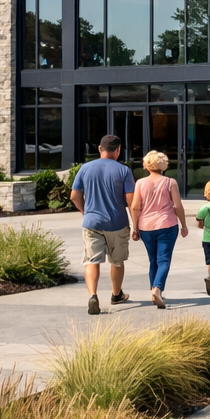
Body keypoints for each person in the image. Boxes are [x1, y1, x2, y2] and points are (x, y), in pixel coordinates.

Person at [70, 134, 135, 315]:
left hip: (92, 222)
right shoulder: (124, 171)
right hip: (118, 222)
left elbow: (74, 196)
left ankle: (93, 295)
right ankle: (116, 294)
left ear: (100, 148)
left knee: (92, 260)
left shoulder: (85, 168)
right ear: (118, 150)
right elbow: (131, 201)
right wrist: (135, 224)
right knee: (117, 261)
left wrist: (85, 212)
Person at [129, 150, 188, 308]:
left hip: (146, 227)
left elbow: (135, 207)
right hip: (167, 225)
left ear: (147, 165)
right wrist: (184, 224)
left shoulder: (140, 183)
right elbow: (177, 205)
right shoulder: (170, 182)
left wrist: (135, 227)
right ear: (163, 165)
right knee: (164, 260)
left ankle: (154, 290)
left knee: (153, 260)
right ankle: (157, 289)